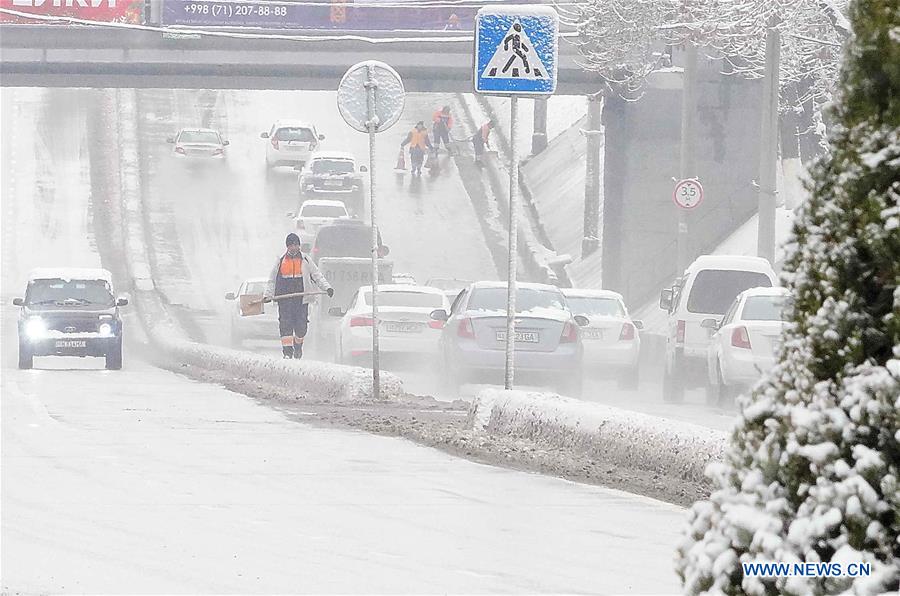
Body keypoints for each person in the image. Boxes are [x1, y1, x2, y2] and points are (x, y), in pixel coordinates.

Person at [266, 233, 334, 359]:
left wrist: (327, 287)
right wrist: (268, 295)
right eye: (292, 245)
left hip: (301, 299)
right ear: (287, 246)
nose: (294, 247)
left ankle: (298, 346)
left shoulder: (306, 260)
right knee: (285, 325)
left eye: (296, 245)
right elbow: (272, 280)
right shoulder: (280, 260)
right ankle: (287, 352)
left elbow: (317, 275)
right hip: (285, 299)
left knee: (301, 326)